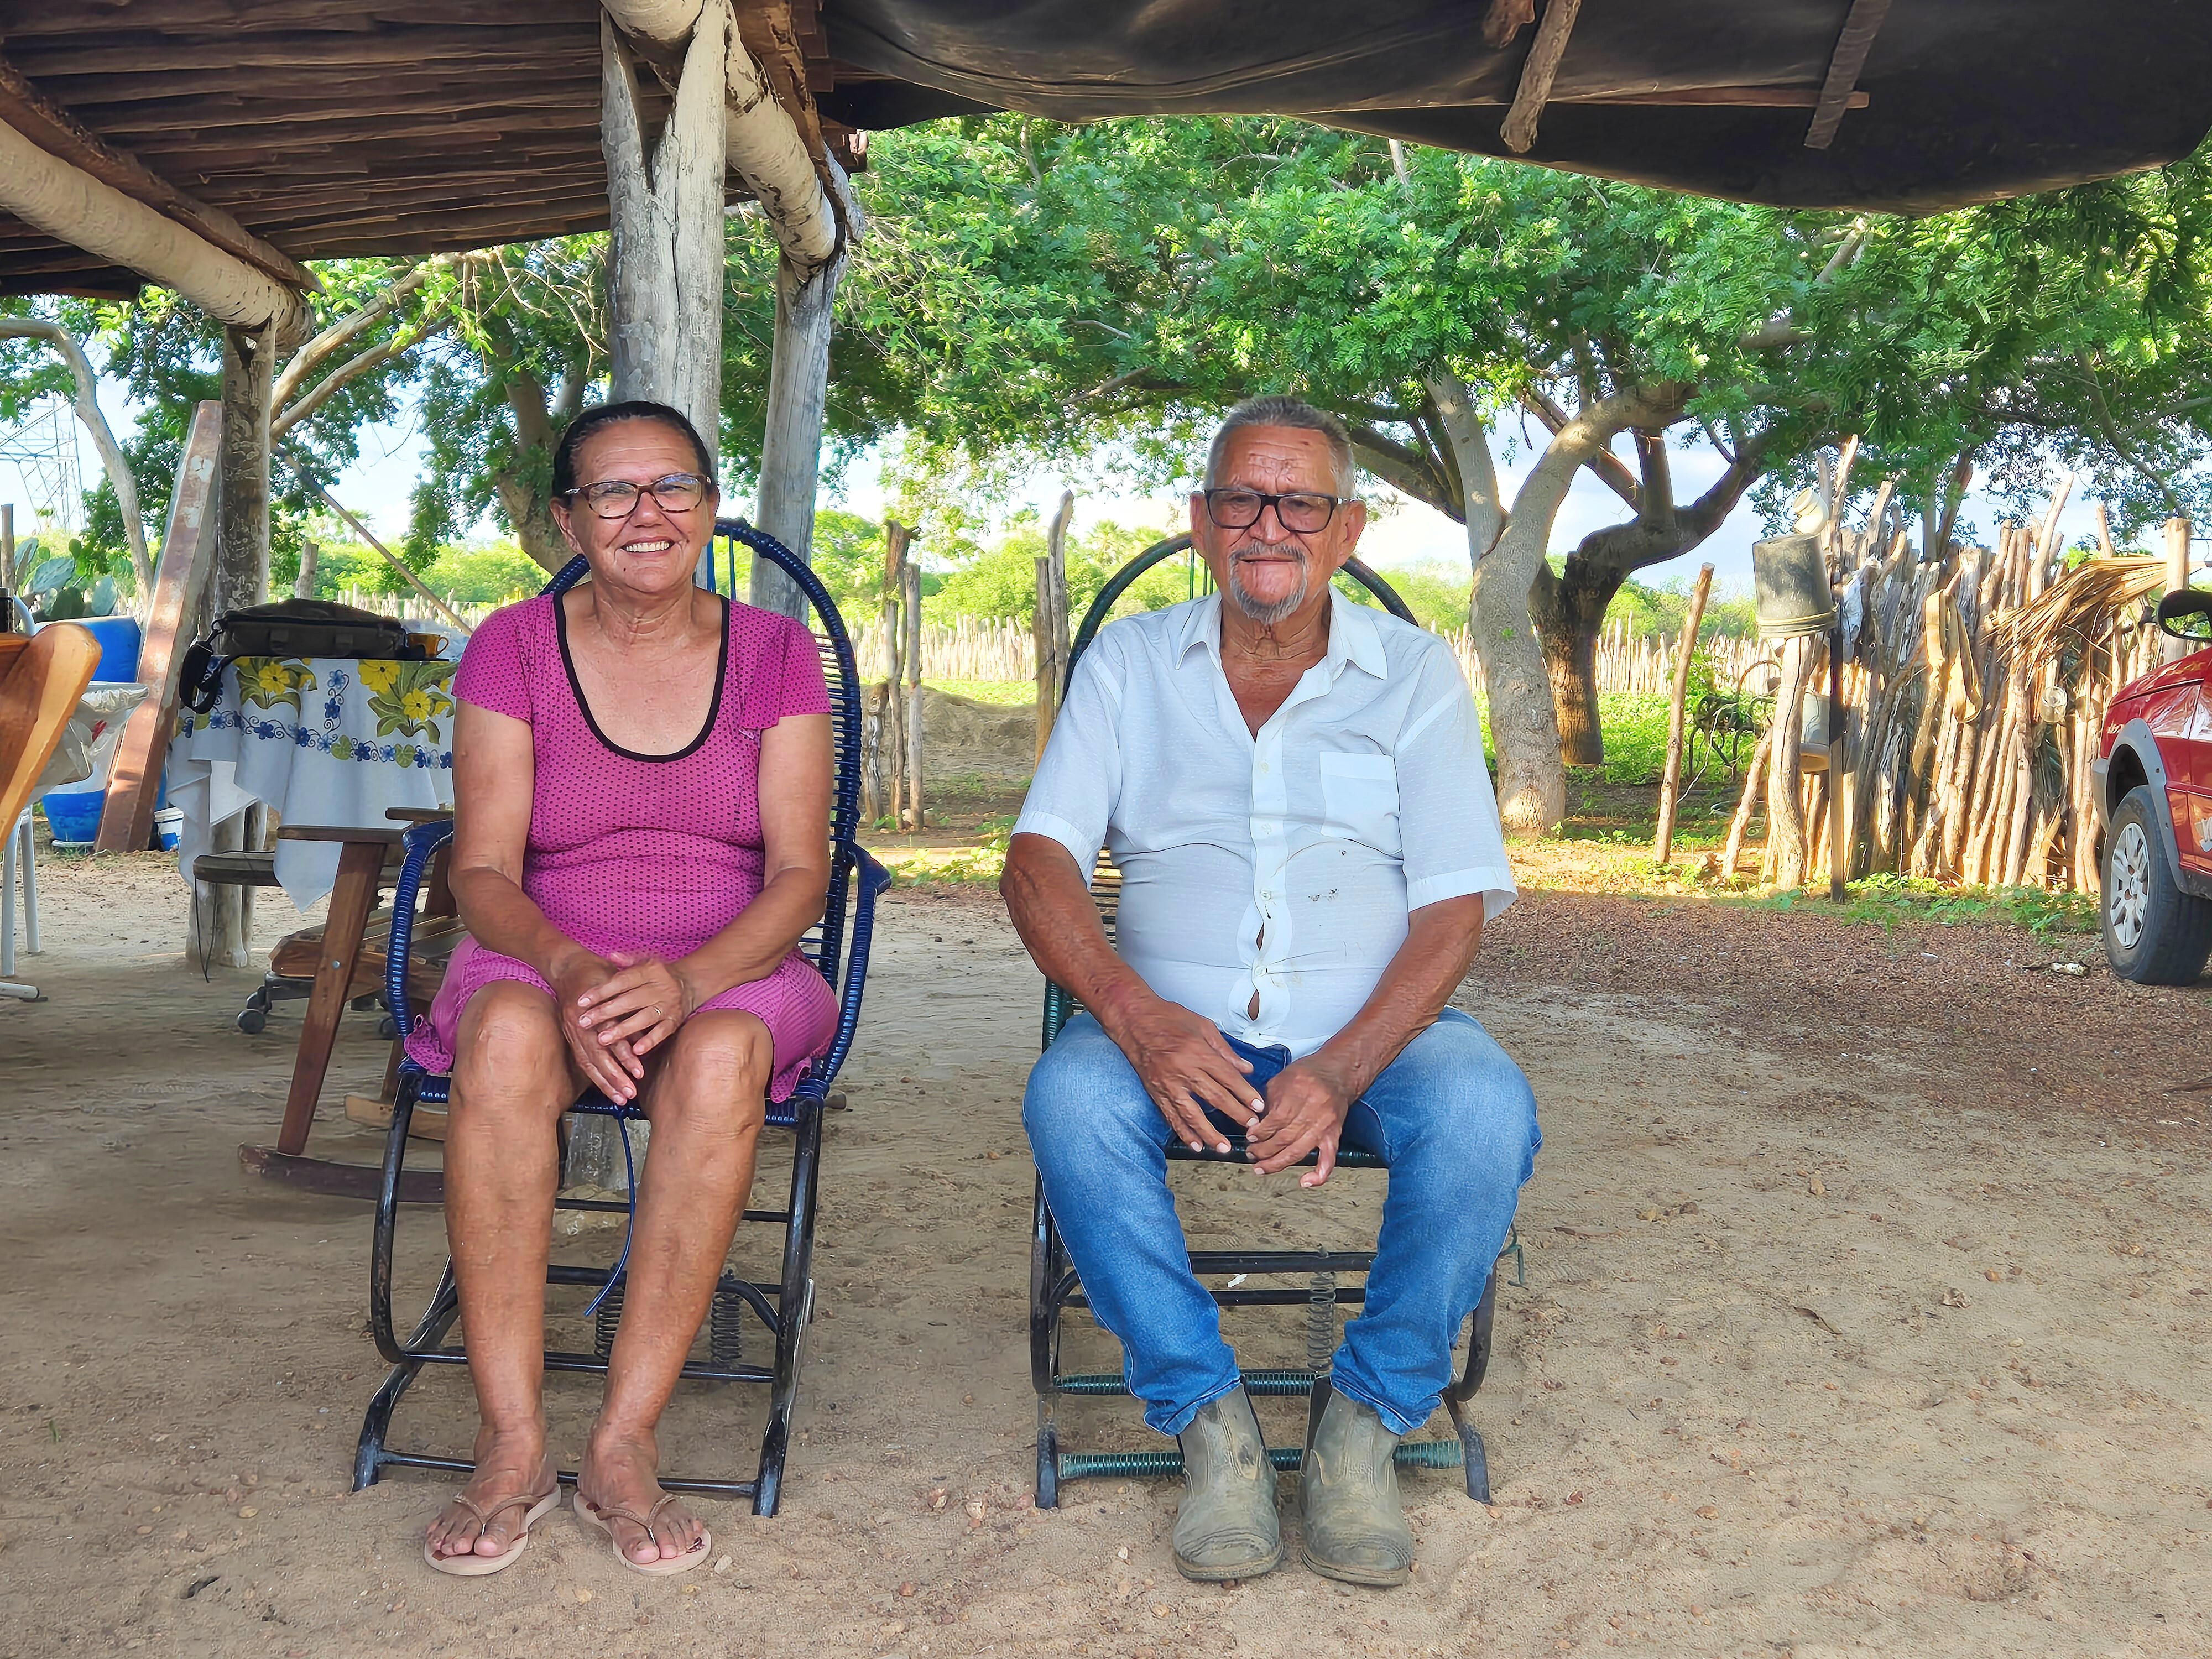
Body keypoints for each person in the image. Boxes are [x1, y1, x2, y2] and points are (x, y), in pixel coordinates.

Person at [1002, 395, 1538, 1588]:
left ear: (1344, 530)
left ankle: (1365, 1420)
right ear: (1201, 521)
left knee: (1484, 1109)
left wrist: (1342, 1066)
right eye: (1241, 497)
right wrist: (1132, 1018)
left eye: (1300, 502)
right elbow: (1034, 861)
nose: (1268, 525)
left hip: (1376, 1037)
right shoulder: (1131, 664)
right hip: (1163, 1034)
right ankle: (1211, 1423)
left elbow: (1454, 904)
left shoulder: (1409, 678)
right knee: (1071, 1104)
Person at [405, 400, 837, 1577]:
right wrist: (571, 972)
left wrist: (685, 983)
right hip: (542, 948)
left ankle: (623, 1443)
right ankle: (508, 1443)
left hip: (735, 958)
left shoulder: (774, 652)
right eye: (612, 492)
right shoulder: (513, 645)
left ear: (708, 505)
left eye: (674, 488)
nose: (647, 515)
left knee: (716, 1056)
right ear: (566, 518)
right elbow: (483, 868)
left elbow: (803, 874)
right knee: (500, 1039)